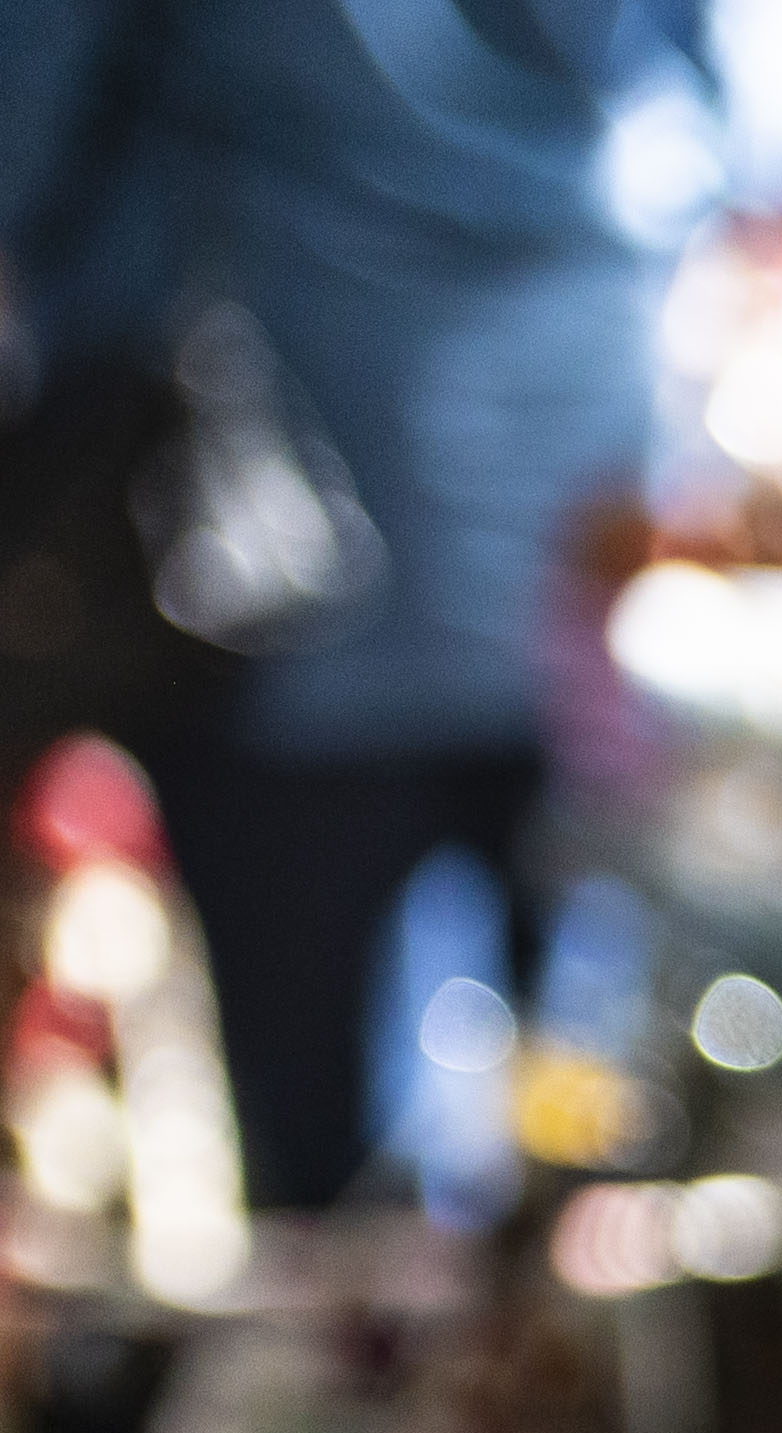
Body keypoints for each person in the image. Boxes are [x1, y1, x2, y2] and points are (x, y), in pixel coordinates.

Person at [0, 0, 700, 1207]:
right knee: (581, 1088)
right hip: (573, 476)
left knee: (327, 1131)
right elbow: (779, 99)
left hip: (282, 500)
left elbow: (26, 121)